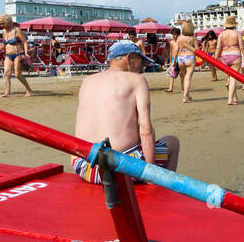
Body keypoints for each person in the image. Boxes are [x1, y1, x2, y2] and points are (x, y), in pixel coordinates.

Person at [70, 41, 180, 184]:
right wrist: (151, 172)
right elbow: (146, 130)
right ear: (128, 58)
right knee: (173, 142)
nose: (141, 68)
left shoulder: (88, 80)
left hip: (83, 165)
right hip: (119, 168)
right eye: (140, 62)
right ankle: (159, 191)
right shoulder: (136, 80)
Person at [0, 15, 34, 97]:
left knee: (17, 75)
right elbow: (4, 44)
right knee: (6, 73)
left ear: (7, 22)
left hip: (18, 54)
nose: (1, 25)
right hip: (8, 55)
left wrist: (26, 53)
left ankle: (29, 89)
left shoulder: (16, 30)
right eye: (0, 24)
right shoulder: (4, 31)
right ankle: (7, 92)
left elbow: (25, 42)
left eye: (2, 23)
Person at [216, 17, 244, 105]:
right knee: (233, 78)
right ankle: (230, 99)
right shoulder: (237, 34)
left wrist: (215, 59)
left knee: (229, 77)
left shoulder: (221, 35)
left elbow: (218, 48)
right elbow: (242, 48)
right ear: (234, 24)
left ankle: (234, 97)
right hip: (235, 55)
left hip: (224, 56)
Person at [174, 20, 198, 102]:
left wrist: (174, 62)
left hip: (180, 58)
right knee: (188, 78)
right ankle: (185, 97)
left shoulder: (179, 38)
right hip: (190, 57)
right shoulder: (193, 38)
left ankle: (187, 95)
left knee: (184, 78)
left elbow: (176, 50)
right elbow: (197, 50)